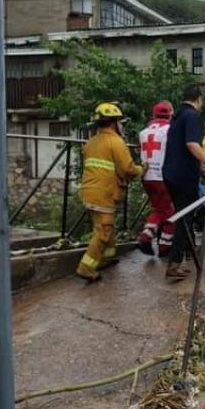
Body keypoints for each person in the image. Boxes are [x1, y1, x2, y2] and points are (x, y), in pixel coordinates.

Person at [76, 102, 145, 281]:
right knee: (104, 230)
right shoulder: (116, 142)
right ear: (114, 123)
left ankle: (106, 257)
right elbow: (127, 169)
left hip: (90, 190)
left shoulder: (91, 142)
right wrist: (142, 169)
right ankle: (86, 267)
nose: (121, 125)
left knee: (107, 226)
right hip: (103, 193)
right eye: (119, 121)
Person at [162, 84, 205, 281]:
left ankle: (189, 251)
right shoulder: (192, 116)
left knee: (186, 213)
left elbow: (181, 149)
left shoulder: (177, 116)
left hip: (170, 173)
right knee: (186, 218)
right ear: (198, 98)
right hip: (183, 177)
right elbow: (192, 144)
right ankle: (174, 263)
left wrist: (200, 167)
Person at [136, 101, 176, 257]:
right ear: (170, 114)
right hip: (162, 176)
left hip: (147, 176)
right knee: (172, 212)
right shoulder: (170, 130)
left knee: (158, 209)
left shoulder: (143, 132)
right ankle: (165, 247)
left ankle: (146, 236)